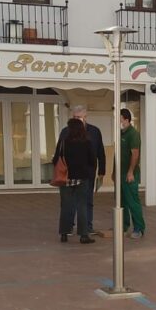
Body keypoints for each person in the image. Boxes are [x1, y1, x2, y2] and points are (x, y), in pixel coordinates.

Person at [52, 118, 96, 244]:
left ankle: (64, 234)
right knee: (82, 205)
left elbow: (56, 159)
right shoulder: (87, 142)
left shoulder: (64, 142)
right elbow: (92, 160)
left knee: (66, 206)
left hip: (65, 178)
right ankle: (83, 235)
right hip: (82, 178)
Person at [65, 105, 105, 233]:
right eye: (74, 117)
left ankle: (87, 226)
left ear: (85, 117)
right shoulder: (66, 132)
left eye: (79, 117)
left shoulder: (94, 131)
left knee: (87, 200)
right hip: (70, 173)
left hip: (88, 173)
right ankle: (68, 227)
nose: (76, 120)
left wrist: (101, 172)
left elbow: (100, 153)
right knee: (70, 201)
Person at [118, 108, 145, 239]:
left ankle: (139, 228)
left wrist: (130, 172)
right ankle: (123, 226)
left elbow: (135, 154)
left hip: (129, 175)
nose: (118, 121)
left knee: (133, 202)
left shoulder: (133, 134)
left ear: (126, 120)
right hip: (120, 174)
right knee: (121, 201)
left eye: (120, 119)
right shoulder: (120, 134)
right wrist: (114, 172)